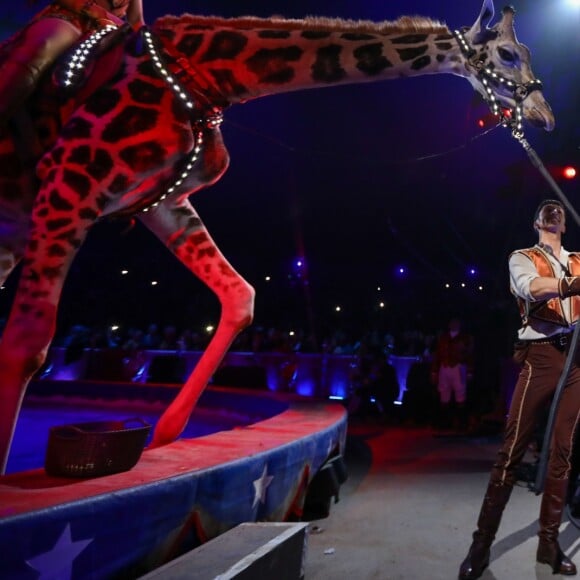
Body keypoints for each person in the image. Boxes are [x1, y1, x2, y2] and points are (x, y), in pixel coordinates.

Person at [459, 199, 580, 579]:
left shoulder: (578, 259)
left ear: (564, 223)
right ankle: (480, 546)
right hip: (540, 356)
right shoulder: (522, 257)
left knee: (563, 454)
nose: (553, 212)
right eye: (546, 211)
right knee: (511, 452)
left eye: (558, 210)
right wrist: (572, 284)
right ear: (536, 223)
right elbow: (533, 289)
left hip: (576, 360)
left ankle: (548, 545)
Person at [0, 0, 144, 126]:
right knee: (44, 45)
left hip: (109, 34)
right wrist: (99, 14)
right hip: (70, 19)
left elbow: (136, 21)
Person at [430, 316, 474, 431]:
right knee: (444, 394)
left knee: (460, 393)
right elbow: (438, 354)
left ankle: (461, 423)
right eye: (452, 323)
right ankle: (445, 423)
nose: (454, 325)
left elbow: (469, 355)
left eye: (456, 323)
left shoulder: (465, 338)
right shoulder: (443, 338)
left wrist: (469, 370)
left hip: (458, 367)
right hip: (444, 368)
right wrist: (434, 370)